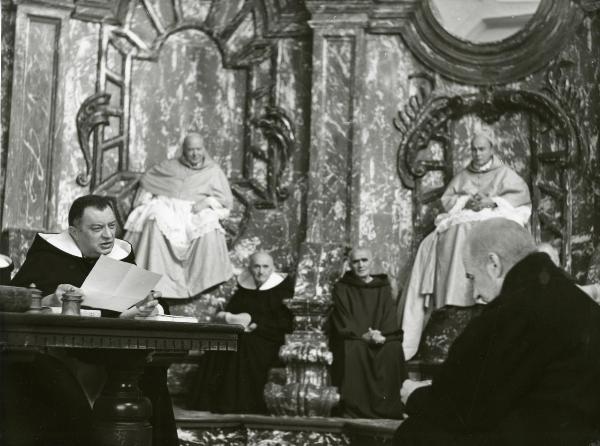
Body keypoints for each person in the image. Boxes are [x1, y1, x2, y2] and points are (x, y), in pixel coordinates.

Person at [394, 219, 600, 446]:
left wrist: (414, 396)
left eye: (471, 277)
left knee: (415, 432)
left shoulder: (509, 312)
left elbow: (461, 409)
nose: (474, 294)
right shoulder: (583, 304)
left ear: (494, 264)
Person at [10, 195, 177, 446]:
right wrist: (50, 300)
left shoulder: (121, 253)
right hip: (64, 353)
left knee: (150, 374)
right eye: (97, 228)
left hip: (114, 347)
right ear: (75, 232)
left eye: (112, 226)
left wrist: (148, 308)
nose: (108, 235)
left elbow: (134, 299)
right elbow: (17, 300)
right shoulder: (49, 257)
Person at [400, 131, 532, 359]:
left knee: (490, 231)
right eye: (473, 149)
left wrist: (492, 201)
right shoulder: (463, 175)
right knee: (455, 230)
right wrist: (466, 201)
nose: (477, 153)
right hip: (466, 218)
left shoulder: (505, 174)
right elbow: (449, 201)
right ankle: (454, 296)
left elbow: (521, 198)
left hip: (494, 216)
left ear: (491, 149)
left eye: (481, 149)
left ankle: (487, 293)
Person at [124, 132, 234, 297]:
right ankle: (156, 282)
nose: (195, 154)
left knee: (209, 221)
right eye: (191, 150)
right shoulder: (169, 166)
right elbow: (148, 181)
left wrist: (207, 202)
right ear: (184, 150)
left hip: (194, 213)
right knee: (154, 216)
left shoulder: (213, 171)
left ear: (203, 149)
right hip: (169, 209)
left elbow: (225, 202)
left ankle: (199, 280)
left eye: (198, 149)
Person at [188, 251, 293, 414]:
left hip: (270, 339)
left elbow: (285, 323)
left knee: (244, 345)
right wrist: (229, 318)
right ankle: (211, 402)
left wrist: (256, 326)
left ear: (272, 268)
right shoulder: (245, 288)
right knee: (219, 342)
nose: (261, 271)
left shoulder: (283, 289)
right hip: (244, 333)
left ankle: (238, 404)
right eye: (256, 266)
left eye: (265, 267)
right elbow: (232, 312)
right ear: (250, 268)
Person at [330, 247, 406, 418]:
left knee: (393, 348)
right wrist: (362, 335)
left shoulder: (383, 286)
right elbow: (343, 317)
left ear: (371, 262)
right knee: (352, 348)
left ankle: (389, 408)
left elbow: (388, 313)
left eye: (364, 260)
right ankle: (355, 409)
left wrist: (381, 335)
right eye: (356, 261)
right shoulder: (342, 287)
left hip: (380, 334)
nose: (360, 265)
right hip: (355, 336)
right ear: (350, 264)